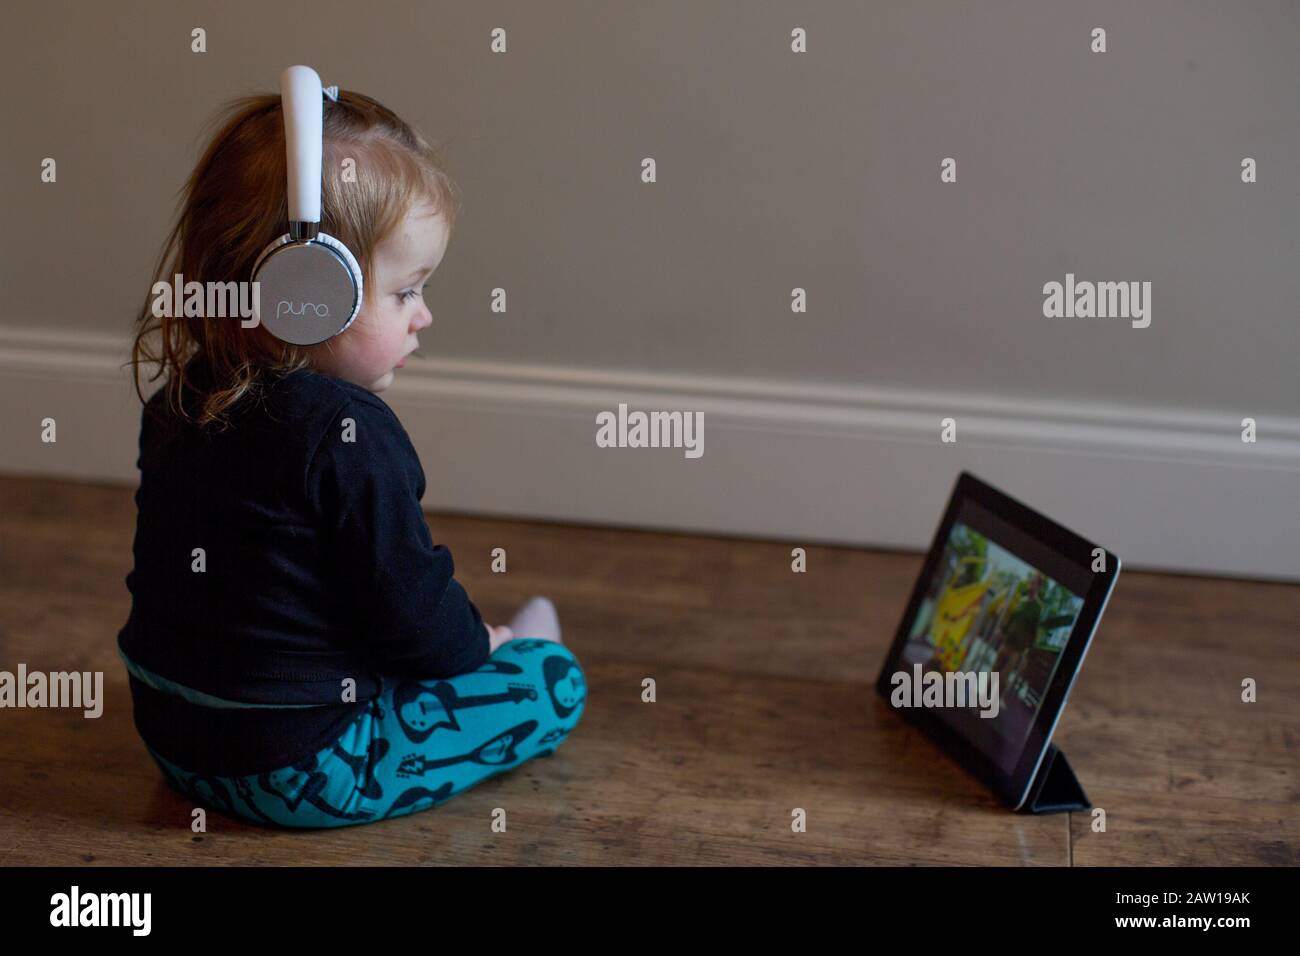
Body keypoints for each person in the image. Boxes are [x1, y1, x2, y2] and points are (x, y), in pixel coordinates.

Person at [116, 81, 585, 828]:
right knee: (552, 684)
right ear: (307, 291)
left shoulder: (181, 396)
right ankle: (529, 656)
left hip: (175, 743)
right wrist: (483, 645)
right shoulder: (349, 432)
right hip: (301, 767)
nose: (424, 315)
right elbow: (412, 608)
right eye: (407, 293)